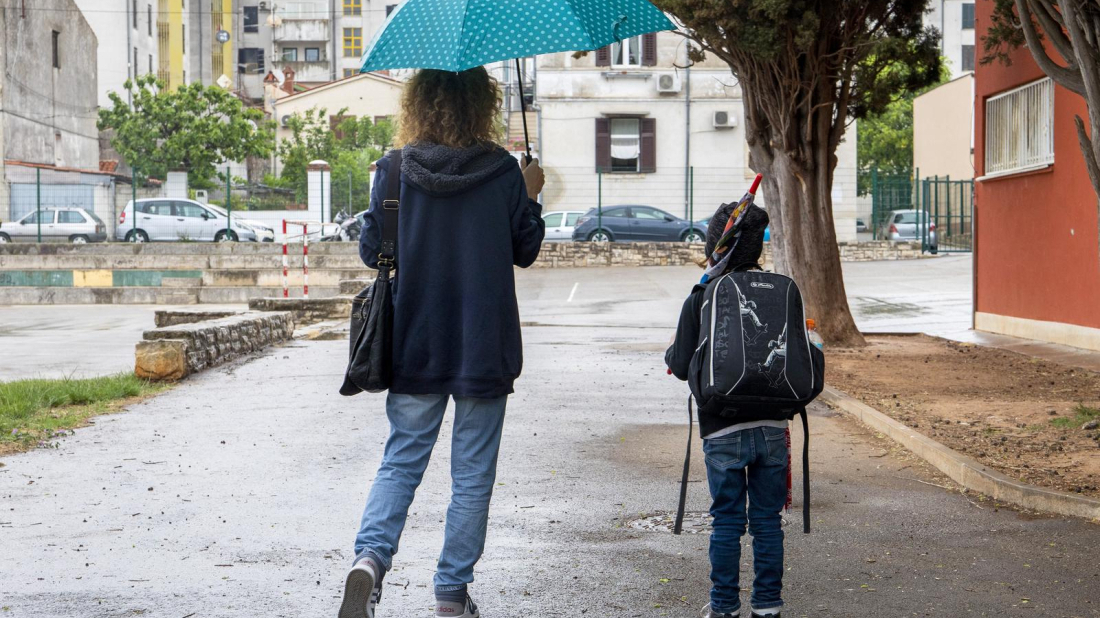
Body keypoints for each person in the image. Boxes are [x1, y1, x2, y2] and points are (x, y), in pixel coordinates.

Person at [339, 67, 546, 618]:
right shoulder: (504, 172)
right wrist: (530, 194)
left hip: (414, 337)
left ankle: (369, 561)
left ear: (420, 104)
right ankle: (451, 595)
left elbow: (371, 252)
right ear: (482, 104)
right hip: (483, 343)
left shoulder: (392, 169)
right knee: (472, 474)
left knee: (401, 460)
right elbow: (525, 250)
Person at [665, 202, 787, 618]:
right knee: (768, 520)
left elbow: (680, 365)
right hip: (773, 425)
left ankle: (723, 607)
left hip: (721, 428)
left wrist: (673, 351)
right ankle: (768, 606)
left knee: (728, 521)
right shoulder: (779, 289)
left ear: (716, 246)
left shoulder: (701, 295)